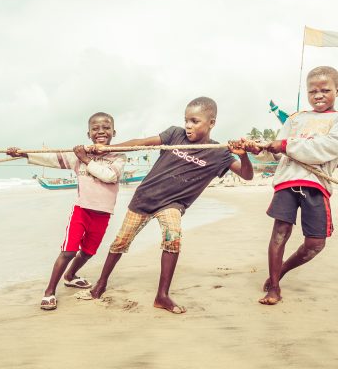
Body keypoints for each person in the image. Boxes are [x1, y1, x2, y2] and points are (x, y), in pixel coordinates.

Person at [88, 97, 254, 314]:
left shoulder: (219, 153)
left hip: (172, 204)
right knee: (120, 242)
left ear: (211, 123)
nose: (188, 125)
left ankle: (162, 295)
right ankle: (101, 283)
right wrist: (106, 149)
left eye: (195, 121)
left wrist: (245, 156)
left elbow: (247, 175)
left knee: (173, 238)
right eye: (186, 120)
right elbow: (143, 142)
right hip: (145, 198)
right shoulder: (175, 135)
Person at [7, 112, 126, 310]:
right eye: (95, 129)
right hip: (82, 210)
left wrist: (86, 159)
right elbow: (52, 158)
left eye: (106, 128)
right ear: (88, 134)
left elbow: (109, 176)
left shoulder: (119, 156)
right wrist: (23, 153)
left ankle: (70, 276)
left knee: (88, 252)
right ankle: (49, 291)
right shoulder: (76, 156)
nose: (101, 131)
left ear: (114, 132)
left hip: (103, 213)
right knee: (69, 250)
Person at [247, 66, 338, 305]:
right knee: (280, 233)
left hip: (316, 185)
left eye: (325, 90)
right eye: (313, 91)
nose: (318, 95)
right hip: (288, 181)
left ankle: (283, 269)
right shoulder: (296, 120)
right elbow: (278, 153)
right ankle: (274, 287)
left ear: (337, 90)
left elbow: (326, 148)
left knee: (315, 243)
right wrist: (260, 148)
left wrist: (285, 144)